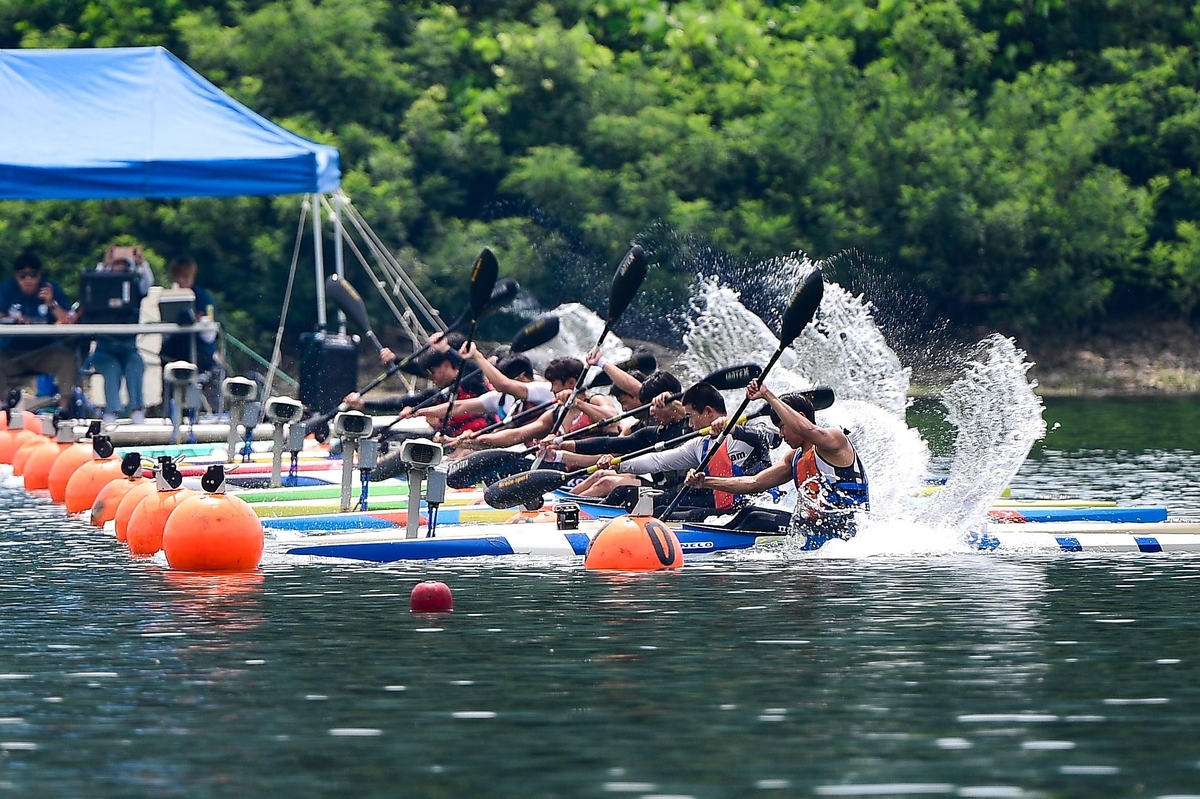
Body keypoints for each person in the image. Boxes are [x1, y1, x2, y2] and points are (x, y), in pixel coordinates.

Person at [684, 379, 869, 538]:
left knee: (757, 519)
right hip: (815, 525)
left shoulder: (835, 441)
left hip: (845, 529)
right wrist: (706, 482)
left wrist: (766, 394)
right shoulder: (794, 458)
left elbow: (809, 430)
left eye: (782, 426)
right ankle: (709, 538)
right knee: (750, 512)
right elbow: (753, 483)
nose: (781, 435)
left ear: (800, 418)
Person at [590, 381, 781, 519]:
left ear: (708, 412)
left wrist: (734, 429)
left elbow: (775, 438)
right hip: (723, 509)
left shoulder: (748, 431)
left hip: (756, 509)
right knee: (656, 507)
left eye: (691, 416)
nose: (689, 424)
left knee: (666, 513)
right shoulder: (700, 445)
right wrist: (617, 464)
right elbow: (658, 461)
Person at [0, 252, 78, 417]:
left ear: (39, 275)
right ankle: (3, 407)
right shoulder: (7, 289)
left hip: (44, 353)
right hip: (13, 354)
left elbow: (68, 320)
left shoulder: (51, 288)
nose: (28, 279)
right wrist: (11, 319)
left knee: (66, 357)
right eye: (23, 275)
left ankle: (63, 410)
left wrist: (52, 303)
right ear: (16, 276)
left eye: (33, 274)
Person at [85, 245, 152, 422]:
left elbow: (148, 285)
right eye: (116, 264)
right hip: (104, 349)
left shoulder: (134, 287)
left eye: (123, 264)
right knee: (111, 366)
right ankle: (111, 411)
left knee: (135, 363)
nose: (119, 267)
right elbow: (92, 285)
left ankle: (137, 409)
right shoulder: (99, 288)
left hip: (128, 347)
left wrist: (141, 262)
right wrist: (105, 264)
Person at [159, 256, 218, 373]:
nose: (181, 281)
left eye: (185, 277)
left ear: (193, 277)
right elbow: (165, 336)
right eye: (177, 277)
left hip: (200, 349)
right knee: (165, 357)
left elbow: (210, 337)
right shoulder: (166, 298)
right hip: (174, 350)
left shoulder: (205, 299)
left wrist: (200, 322)